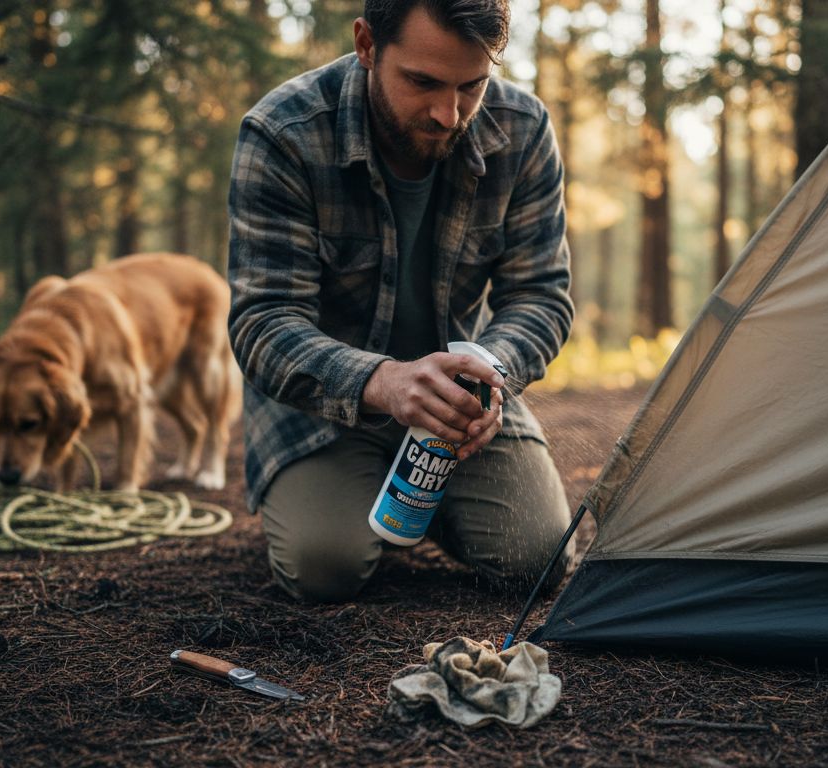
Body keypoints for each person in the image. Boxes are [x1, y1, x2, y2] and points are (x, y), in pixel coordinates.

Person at [227, 0, 574, 603]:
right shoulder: (284, 134)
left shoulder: (522, 130)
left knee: (535, 559)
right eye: (423, 82)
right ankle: (365, 496)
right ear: (367, 45)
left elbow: (540, 295)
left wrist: (490, 375)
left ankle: (429, 502)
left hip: (461, 400)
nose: (448, 114)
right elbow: (264, 322)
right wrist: (384, 382)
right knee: (324, 568)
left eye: (472, 85)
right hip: (321, 402)